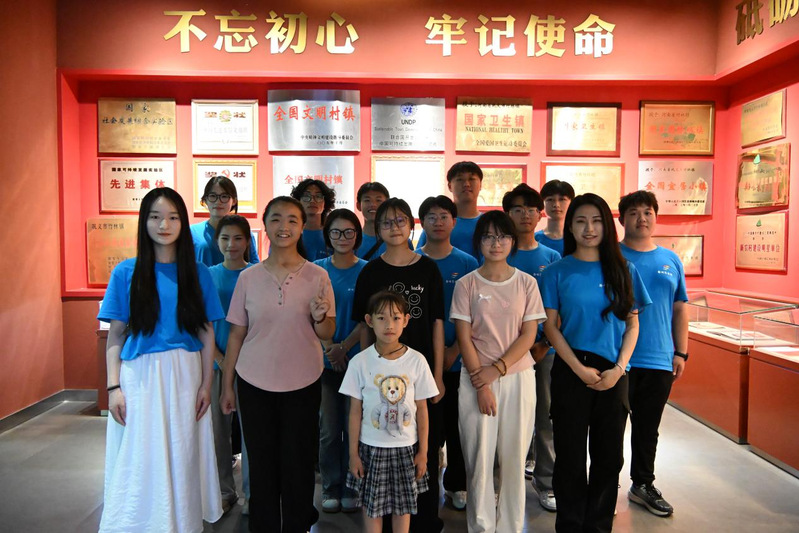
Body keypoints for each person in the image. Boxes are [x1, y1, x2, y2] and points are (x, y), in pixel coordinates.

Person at [98, 187, 225, 533]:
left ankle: (181, 522)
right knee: (141, 450)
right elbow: (116, 335)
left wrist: (206, 384)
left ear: (183, 223)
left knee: (183, 450)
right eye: (155, 217)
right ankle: (139, 522)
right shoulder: (126, 272)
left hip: (185, 373)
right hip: (139, 376)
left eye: (172, 217)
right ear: (144, 222)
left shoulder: (198, 273)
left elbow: (206, 332)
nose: (164, 225)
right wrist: (113, 388)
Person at [220, 196, 336, 532]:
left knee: (298, 462)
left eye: (292, 220)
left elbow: (327, 332)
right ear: (265, 225)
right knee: (261, 463)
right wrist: (227, 386)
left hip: (303, 381)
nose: (283, 227)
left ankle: (297, 525)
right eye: (276, 219)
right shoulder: (248, 277)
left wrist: (320, 318)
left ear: (302, 227)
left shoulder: (318, 276)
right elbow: (236, 335)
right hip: (254, 382)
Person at [539, 193, 651, 533]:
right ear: (570, 227)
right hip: (571, 370)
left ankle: (599, 526)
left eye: (597, 221)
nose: (589, 228)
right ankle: (570, 525)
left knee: (609, 458)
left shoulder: (625, 270)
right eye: (581, 221)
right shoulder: (556, 271)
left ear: (607, 226)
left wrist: (619, 369)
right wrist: (579, 369)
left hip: (614, 373)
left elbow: (632, 325)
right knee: (570, 458)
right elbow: (550, 328)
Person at [352, 197, 446, 532]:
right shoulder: (370, 271)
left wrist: (437, 375)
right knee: (382, 443)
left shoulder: (428, 268)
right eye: (386, 222)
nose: (394, 228)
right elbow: (364, 327)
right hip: (381, 378)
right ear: (377, 229)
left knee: (422, 446)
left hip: (419, 373)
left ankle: (423, 521)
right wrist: (366, 374)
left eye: (400, 220)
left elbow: (437, 323)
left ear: (411, 225)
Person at [451, 210, 547, 533]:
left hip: (518, 377)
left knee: (514, 457)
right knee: (479, 458)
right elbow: (464, 337)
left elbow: (529, 335)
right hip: (475, 378)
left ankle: (509, 526)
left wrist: (498, 369)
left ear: (512, 241)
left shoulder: (526, 283)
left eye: (503, 236)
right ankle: (481, 526)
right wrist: (482, 383)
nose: (496, 243)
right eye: (489, 237)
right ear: (478, 242)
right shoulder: (466, 284)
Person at [340, 291, 440, 533]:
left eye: (395, 318)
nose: (389, 325)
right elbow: (354, 412)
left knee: (402, 508)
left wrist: (423, 452)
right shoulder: (359, 362)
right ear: (369, 320)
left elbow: (422, 410)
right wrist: (353, 454)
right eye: (381, 318)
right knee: (371, 506)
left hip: (406, 448)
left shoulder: (417, 361)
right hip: (370, 448)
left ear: (406, 320)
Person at [619, 190, 689, 518]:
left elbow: (679, 308)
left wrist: (681, 352)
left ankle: (642, 484)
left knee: (648, 428)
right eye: (634, 212)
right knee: (609, 427)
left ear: (656, 217)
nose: (642, 218)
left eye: (648, 212)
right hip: (617, 358)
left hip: (659, 357)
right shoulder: (610, 256)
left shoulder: (670, 259)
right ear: (622, 219)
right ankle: (605, 484)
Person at [417, 195, 479, 512]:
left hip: (458, 360)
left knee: (458, 428)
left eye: (444, 216)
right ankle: (423, 485)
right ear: (422, 223)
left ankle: (456, 484)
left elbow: (476, 314)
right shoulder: (412, 260)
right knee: (424, 429)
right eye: (431, 216)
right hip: (418, 363)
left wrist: (455, 349)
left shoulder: (467, 263)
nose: (438, 222)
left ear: (454, 222)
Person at [502, 183, 561, 512]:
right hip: (502, 352)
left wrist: (543, 344)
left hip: (544, 352)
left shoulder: (551, 257)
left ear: (540, 215)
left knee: (545, 418)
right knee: (504, 418)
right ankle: (502, 482)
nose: (525, 215)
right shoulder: (500, 252)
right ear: (507, 214)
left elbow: (557, 309)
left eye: (530, 209)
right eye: (517, 209)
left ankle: (546, 481)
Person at [315, 208, 368, 514]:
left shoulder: (367, 271)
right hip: (323, 364)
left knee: (355, 427)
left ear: (357, 236)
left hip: (357, 362)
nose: (342, 237)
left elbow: (368, 317)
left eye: (349, 232)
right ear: (328, 236)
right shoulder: (316, 271)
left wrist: (343, 347)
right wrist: (329, 348)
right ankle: (331, 487)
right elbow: (309, 315)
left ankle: (352, 485)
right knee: (329, 430)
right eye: (336, 232)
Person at [207, 214, 254, 515]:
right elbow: (200, 324)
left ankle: (252, 493)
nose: (231, 244)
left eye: (238, 238)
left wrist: (236, 363)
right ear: (217, 241)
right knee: (218, 433)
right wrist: (221, 359)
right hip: (216, 365)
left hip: (251, 367)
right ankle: (225, 491)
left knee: (252, 434)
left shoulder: (257, 274)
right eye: (225, 238)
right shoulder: (207, 275)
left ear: (247, 241)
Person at [416, 161, 484, 259]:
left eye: (471, 179)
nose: (466, 184)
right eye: (460, 179)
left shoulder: (488, 223)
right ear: (449, 186)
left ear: (480, 185)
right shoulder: (437, 223)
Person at [191, 175, 260, 266]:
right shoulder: (192, 232)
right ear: (205, 200)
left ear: (234, 201)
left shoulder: (244, 233)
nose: (218, 202)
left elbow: (254, 267)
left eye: (224, 196)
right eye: (213, 196)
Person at [291, 178, 336, 260]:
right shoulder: (290, 233)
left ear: (325, 203)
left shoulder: (334, 234)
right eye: (306, 196)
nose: (312, 200)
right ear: (298, 201)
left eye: (318, 196)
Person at [536, 180, 575, 256]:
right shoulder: (535, 239)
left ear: (571, 203)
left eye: (562, 199)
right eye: (550, 200)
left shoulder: (577, 239)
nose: (556, 205)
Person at [356, 182, 390, 260]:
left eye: (378, 200)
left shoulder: (398, 240)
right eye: (367, 200)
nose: (373, 204)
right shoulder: (350, 241)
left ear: (387, 206)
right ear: (358, 206)